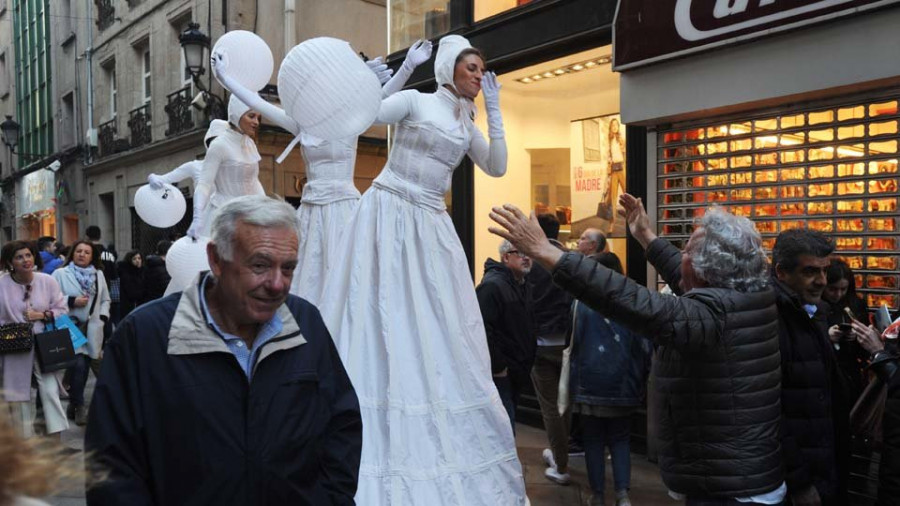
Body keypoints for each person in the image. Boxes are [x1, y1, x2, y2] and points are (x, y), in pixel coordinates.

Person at [315, 34, 525, 504]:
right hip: (389, 210)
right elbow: (368, 116)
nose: (479, 75)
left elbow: (496, 166)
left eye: (482, 70)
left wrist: (494, 111)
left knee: (438, 318)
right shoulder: (415, 100)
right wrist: (397, 75)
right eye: (472, 68)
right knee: (381, 305)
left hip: (430, 221)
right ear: (451, 69)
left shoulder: (466, 121)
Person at [489, 195, 786, 505]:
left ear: (704, 269)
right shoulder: (747, 296)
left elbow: (631, 300)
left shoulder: (713, 315)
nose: (681, 255)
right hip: (737, 479)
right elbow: (681, 270)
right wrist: (645, 235)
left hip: (731, 493)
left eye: (686, 250)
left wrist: (548, 253)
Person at [85, 195, 362, 505]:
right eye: (260, 265)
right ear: (216, 259)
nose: (277, 284)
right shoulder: (145, 335)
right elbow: (110, 465)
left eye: (288, 268)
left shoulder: (305, 321)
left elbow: (342, 423)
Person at [213, 42, 429, 305]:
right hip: (312, 212)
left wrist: (408, 66)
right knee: (309, 276)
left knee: (351, 279)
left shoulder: (351, 118)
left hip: (345, 210)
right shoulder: (301, 123)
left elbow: (379, 97)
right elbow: (257, 101)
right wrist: (226, 78)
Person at [771, 229, 850, 506]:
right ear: (781, 272)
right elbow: (771, 412)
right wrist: (799, 481)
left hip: (820, 469)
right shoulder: (772, 321)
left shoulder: (813, 312)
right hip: (796, 483)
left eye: (824, 270)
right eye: (810, 272)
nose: (822, 281)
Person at [566, 251, 650, 506]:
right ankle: (623, 494)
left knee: (593, 440)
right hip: (624, 384)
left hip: (589, 383)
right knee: (620, 438)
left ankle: (598, 494)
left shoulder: (581, 303)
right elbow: (644, 347)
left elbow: (574, 343)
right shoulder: (634, 301)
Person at [0, 240, 69, 440]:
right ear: (11, 262)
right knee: (17, 395)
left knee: (50, 391)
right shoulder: (2, 284)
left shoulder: (47, 281)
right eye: (19, 257)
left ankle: (55, 438)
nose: (25, 260)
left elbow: (62, 309)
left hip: (45, 343)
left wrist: (43, 315)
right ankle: (23, 441)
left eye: (28, 255)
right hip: (14, 345)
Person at [529, 213, 576, 485]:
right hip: (568, 343)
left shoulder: (533, 261)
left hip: (541, 343)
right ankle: (561, 452)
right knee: (564, 404)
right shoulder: (568, 259)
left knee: (550, 407)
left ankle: (560, 461)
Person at [186, 96, 265, 240]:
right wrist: (197, 217)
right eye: (251, 116)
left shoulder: (250, 145)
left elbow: (254, 181)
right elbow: (204, 184)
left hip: (251, 215)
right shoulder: (219, 145)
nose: (256, 122)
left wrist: (266, 208)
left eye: (258, 117)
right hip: (224, 216)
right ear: (236, 115)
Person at [476, 239, 534, 431]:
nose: (527, 257)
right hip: (502, 374)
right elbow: (483, 328)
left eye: (529, 253)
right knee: (504, 429)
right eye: (521, 252)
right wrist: (498, 366)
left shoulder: (523, 285)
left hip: (517, 370)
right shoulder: (493, 286)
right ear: (506, 257)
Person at [52, 240, 111, 427]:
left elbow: (105, 299)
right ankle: (79, 406)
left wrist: (102, 317)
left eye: (87, 252)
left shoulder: (98, 274)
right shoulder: (60, 274)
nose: (82, 254)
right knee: (77, 366)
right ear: (72, 253)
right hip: (69, 327)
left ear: (92, 256)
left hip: (92, 328)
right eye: (78, 251)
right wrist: (71, 301)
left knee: (83, 369)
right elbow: (50, 297)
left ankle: (73, 404)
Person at [823, 258, 869, 402]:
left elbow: (866, 351)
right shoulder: (812, 307)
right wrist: (827, 336)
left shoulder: (856, 305)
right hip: (825, 374)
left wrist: (857, 337)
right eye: (832, 289)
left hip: (850, 374)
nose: (838, 294)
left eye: (843, 289)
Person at [116, 250, 145, 319]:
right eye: (134, 259)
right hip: (127, 305)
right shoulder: (126, 273)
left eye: (139, 258)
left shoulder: (143, 271)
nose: (137, 261)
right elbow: (131, 291)